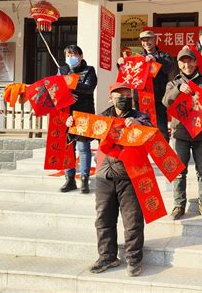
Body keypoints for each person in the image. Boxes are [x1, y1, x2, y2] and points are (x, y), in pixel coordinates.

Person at [68, 83, 153, 277]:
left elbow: (150, 130)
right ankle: (107, 256)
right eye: (119, 94)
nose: (123, 97)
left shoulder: (140, 117)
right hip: (105, 174)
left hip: (130, 175)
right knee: (103, 218)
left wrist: (138, 125)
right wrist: (71, 125)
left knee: (133, 220)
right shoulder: (102, 118)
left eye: (126, 94)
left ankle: (134, 259)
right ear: (110, 98)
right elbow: (83, 135)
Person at [162, 46, 202, 221]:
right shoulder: (173, 82)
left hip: (201, 135)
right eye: (183, 61)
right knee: (178, 171)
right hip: (180, 134)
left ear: (195, 62)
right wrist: (179, 90)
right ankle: (179, 205)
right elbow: (165, 101)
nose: (187, 64)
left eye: (190, 60)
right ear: (179, 64)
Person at [117, 30, 174, 141]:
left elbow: (169, 67)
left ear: (154, 40)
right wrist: (120, 64)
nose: (146, 43)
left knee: (161, 131)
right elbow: (128, 75)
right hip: (141, 99)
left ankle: (162, 156)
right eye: (143, 40)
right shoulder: (138, 58)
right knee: (142, 129)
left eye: (149, 39)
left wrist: (156, 60)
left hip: (158, 100)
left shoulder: (163, 55)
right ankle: (144, 156)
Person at [58, 45, 97, 194]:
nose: (70, 58)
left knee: (83, 147)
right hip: (66, 113)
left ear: (80, 56)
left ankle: (85, 179)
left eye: (73, 54)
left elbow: (88, 88)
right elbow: (56, 88)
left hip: (84, 113)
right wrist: (66, 96)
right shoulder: (62, 70)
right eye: (67, 55)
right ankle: (69, 179)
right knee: (68, 147)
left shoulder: (90, 70)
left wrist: (69, 82)